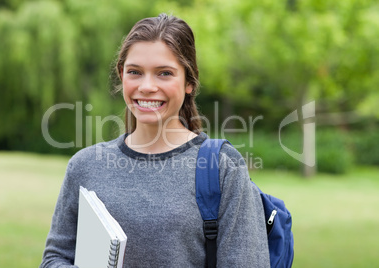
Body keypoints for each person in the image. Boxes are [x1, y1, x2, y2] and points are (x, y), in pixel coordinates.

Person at [40, 13, 269, 267]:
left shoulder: (223, 167)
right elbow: (55, 258)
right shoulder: (85, 166)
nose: (147, 86)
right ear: (121, 74)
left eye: (164, 73)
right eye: (135, 72)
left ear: (189, 82)